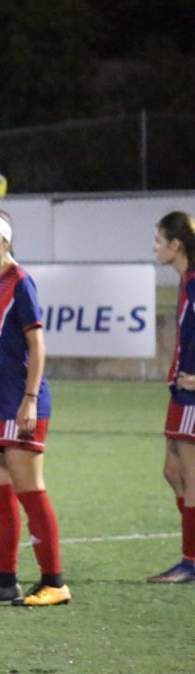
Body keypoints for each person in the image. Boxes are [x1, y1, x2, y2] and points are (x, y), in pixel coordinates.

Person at [0, 209, 71, 607]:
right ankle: (5, 579)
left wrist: (29, 398)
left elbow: (37, 344)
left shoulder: (19, 281)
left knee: (30, 491)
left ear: (6, 241)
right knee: (1, 494)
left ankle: (54, 581)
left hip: (20, 404)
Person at [147, 211, 195, 583]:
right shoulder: (185, 281)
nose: (155, 247)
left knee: (192, 477)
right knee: (173, 471)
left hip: (193, 396)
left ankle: (190, 562)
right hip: (179, 391)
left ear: (176, 245)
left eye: (159, 240)